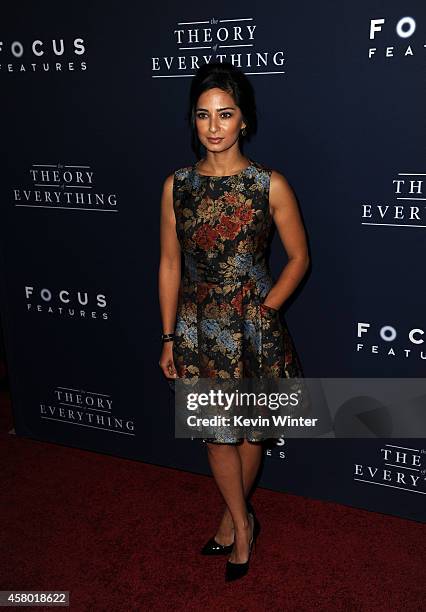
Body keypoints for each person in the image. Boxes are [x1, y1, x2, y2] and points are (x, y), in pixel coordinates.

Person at [158, 61, 309, 581]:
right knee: (216, 434)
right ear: (193, 122)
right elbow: (170, 263)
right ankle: (244, 527)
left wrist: (265, 310)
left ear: (244, 120)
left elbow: (298, 259)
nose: (214, 126)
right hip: (198, 327)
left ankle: (231, 516)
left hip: (253, 329)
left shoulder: (269, 184)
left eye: (226, 114)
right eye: (203, 116)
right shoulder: (176, 186)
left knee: (248, 435)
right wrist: (169, 336)